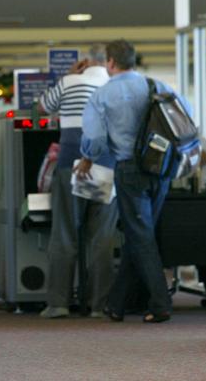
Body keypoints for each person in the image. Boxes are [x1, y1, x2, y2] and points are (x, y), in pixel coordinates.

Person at [75, 39, 192, 324]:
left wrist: (88, 158)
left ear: (110, 63)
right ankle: (116, 304)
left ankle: (161, 303)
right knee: (139, 234)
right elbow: (185, 117)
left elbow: (95, 139)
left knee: (141, 235)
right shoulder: (157, 86)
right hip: (161, 169)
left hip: (130, 171)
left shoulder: (102, 95)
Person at [38, 45, 118, 319]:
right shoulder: (112, 87)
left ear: (85, 61)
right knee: (101, 237)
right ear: (108, 63)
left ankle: (58, 303)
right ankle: (99, 306)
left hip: (71, 165)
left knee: (65, 232)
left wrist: (68, 75)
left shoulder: (70, 81)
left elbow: (42, 108)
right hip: (105, 166)